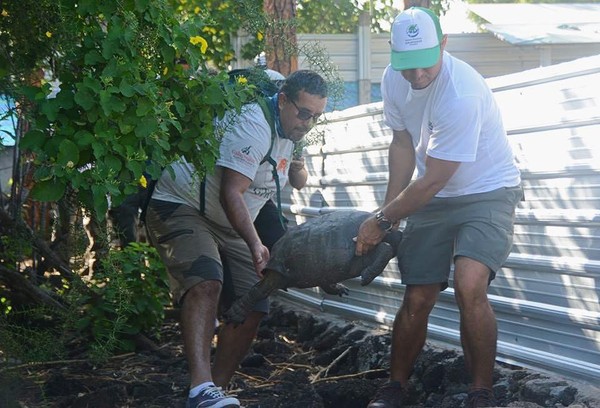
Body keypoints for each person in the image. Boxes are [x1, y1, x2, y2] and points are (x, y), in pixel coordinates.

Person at [354, 7, 522, 408]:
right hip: (434, 196)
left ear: (443, 45)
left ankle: (481, 392)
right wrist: (388, 212)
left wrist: (381, 220)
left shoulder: (461, 93)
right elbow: (402, 144)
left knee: (469, 285)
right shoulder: (394, 81)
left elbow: (433, 179)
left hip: (487, 191)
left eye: (424, 65)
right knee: (418, 295)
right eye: (407, 66)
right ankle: (395, 386)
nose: (416, 76)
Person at [144, 69, 328, 408]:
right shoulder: (253, 123)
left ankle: (215, 390)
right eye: (304, 113)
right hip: (182, 203)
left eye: (316, 116)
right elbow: (232, 192)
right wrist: (257, 244)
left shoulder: (291, 131)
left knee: (253, 303)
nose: (308, 123)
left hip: (230, 219)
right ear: (283, 100)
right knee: (205, 282)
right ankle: (200, 389)